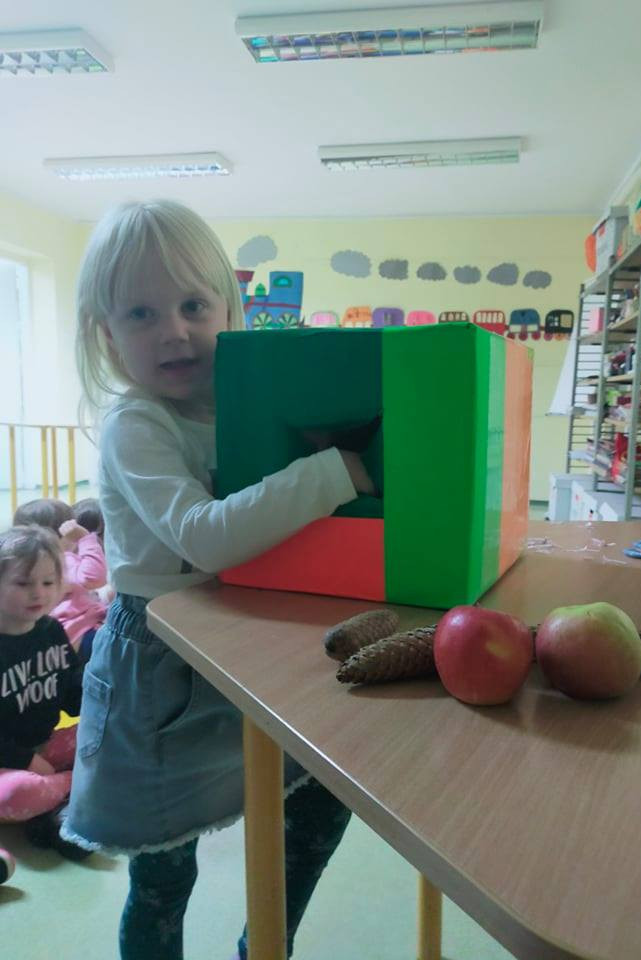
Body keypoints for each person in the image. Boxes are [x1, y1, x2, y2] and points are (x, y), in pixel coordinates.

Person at [63, 199, 376, 960]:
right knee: (163, 877)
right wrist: (335, 470)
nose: (173, 330)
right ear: (108, 335)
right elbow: (206, 537)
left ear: (229, 311)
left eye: (193, 306)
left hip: (248, 645)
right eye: (141, 313)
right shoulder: (136, 423)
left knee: (321, 803)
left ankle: (265, 944)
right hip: (162, 666)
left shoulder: (245, 407)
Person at [0, 525, 89, 861]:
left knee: (110, 732)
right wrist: (26, 761)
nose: (38, 593)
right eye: (23, 584)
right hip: (7, 765)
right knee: (17, 793)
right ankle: (78, 789)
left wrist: (101, 699)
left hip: (44, 745)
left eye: (48, 583)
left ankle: (54, 806)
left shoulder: (51, 630)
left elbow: (70, 692)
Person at [14, 499, 109, 663]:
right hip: (80, 633)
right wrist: (86, 539)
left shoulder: (28, 564)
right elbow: (94, 578)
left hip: (70, 632)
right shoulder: (58, 561)